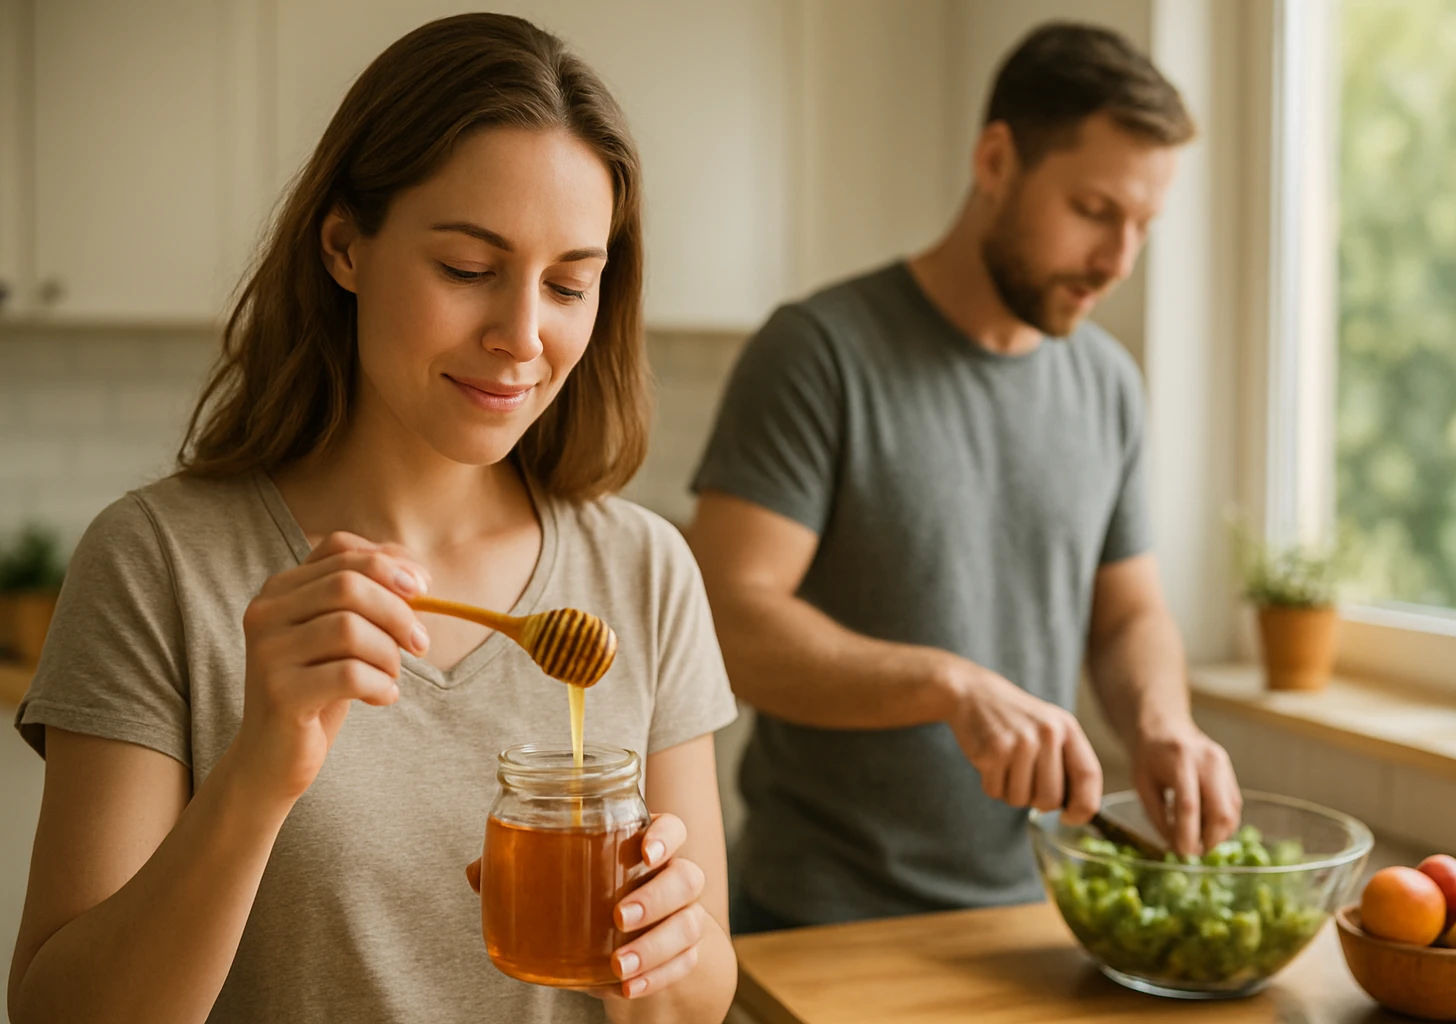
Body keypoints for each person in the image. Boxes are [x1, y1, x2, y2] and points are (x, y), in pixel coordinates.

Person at [7, 14, 737, 1024]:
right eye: (468, 269)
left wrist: (662, 950)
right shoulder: (159, 564)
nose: (523, 336)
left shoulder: (645, 570)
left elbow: (697, 999)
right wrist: (260, 774)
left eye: (570, 283)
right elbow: (59, 1013)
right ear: (347, 245)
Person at [687, 21, 1243, 932]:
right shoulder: (818, 353)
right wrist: (949, 684)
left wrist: (1160, 724)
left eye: (1143, 226)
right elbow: (728, 622)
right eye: (1095, 211)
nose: (1118, 261)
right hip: (820, 921)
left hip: (1031, 915)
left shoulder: (1107, 384)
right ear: (996, 161)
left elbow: (1129, 614)